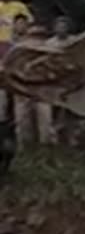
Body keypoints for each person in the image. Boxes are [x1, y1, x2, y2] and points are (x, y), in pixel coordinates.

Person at [10, 15, 54, 149]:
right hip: (22, 89)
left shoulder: (48, 49)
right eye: (34, 34)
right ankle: (25, 149)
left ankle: (45, 148)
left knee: (45, 120)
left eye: (39, 35)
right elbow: (9, 66)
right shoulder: (17, 49)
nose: (36, 37)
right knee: (22, 121)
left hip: (42, 89)